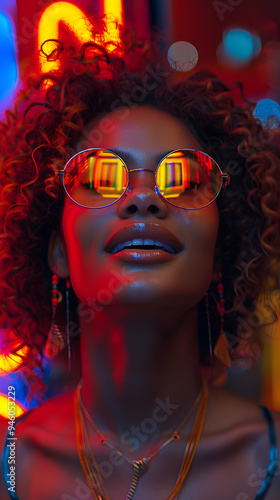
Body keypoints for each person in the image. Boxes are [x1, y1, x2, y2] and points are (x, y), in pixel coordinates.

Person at [0, 18, 280, 500]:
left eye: (184, 178)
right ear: (58, 251)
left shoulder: (270, 462)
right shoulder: (11, 468)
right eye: (102, 177)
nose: (144, 199)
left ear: (220, 254)